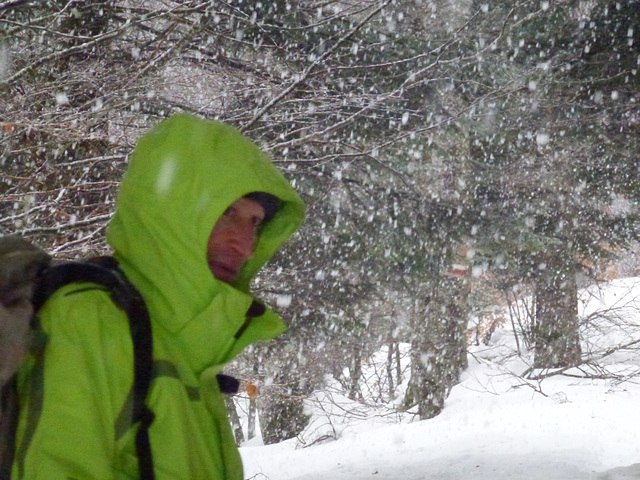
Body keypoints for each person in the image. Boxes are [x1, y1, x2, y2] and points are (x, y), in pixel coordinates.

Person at [11, 114, 305, 479]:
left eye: (254, 222)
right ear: (171, 211)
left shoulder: (193, 351)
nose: (244, 245)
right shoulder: (90, 321)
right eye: (226, 212)